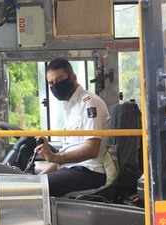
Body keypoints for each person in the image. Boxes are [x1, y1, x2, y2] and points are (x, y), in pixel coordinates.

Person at [35, 58, 115, 197]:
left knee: (36, 190)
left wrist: (54, 157)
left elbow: (91, 150)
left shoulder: (90, 103)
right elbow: (66, 154)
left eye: (59, 80)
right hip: (73, 169)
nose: (56, 85)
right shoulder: (69, 107)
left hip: (90, 172)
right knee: (32, 184)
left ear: (73, 77)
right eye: (51, 83)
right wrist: (39, 177)